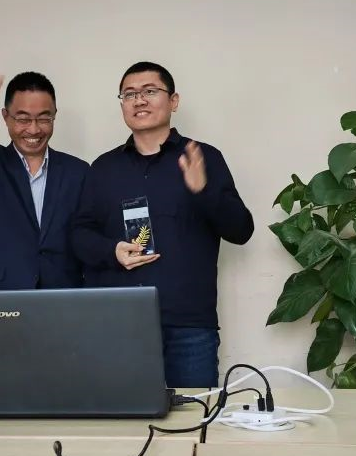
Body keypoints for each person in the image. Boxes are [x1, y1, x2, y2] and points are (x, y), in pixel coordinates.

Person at [71, 61, 254, 387]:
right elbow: (79, 235)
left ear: (173, 101)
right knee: (119, 417)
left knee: (193, 416)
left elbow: (241, 231)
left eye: (150, 91)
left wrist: (203, 191)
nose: (139, 100)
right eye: (129, 94)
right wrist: (112, 251)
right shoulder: (103, 168)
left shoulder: (203, 157)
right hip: (118, 323)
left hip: (189, 328)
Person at [0, 52, 89, 332]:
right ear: (5, 117)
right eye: (22, 119)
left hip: (62, 298)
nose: (33, 129)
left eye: (44, 118)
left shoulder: (78, 171)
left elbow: (87, 233)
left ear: (54, 116)